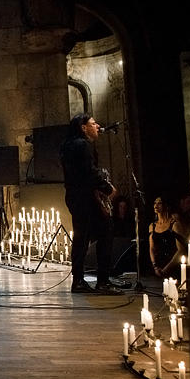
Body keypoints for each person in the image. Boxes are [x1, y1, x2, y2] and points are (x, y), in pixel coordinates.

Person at [60, 114, 123, 294]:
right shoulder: (82, 145)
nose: (98, 126)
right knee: (105, 232)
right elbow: (89, 172)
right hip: (87, 196)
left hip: (74, 195)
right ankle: (102, 281)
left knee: (81, 237)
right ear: (83, 127)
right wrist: (108, 188)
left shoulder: (66, 145)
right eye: (93, 124)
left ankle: (78, 280)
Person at [149, 196, 187, 278]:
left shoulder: (174, 224)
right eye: (155, 203)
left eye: (159, 203)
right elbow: (152, 248)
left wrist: (166, 269)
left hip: (173, 265)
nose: (156, 205)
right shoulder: (152, 225)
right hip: (158, 267)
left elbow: (181, 250)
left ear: (166, 205)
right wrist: (155, 266)